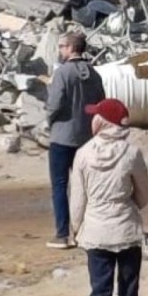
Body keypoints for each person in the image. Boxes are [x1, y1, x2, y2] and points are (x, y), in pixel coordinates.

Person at [68, 97, 148, 296]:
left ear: (102, 122)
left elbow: (77, 199)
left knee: (100, 290)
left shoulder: (82, 154)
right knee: (128, 293)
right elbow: (143, 196)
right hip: (126, 229)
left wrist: (76, 228)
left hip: (95, 231)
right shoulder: (132, 153)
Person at [44, 30, 106, 249]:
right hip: (87, 138)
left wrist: (49, 122)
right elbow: (101, 106)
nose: (60, 50)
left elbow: (54, 104)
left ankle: (62, 234)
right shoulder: (94, 74)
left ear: (71, 48)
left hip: (62, 137)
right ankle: (89, 231)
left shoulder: (63, 73)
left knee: (60, 186)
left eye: (62, 46)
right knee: (87, 186)